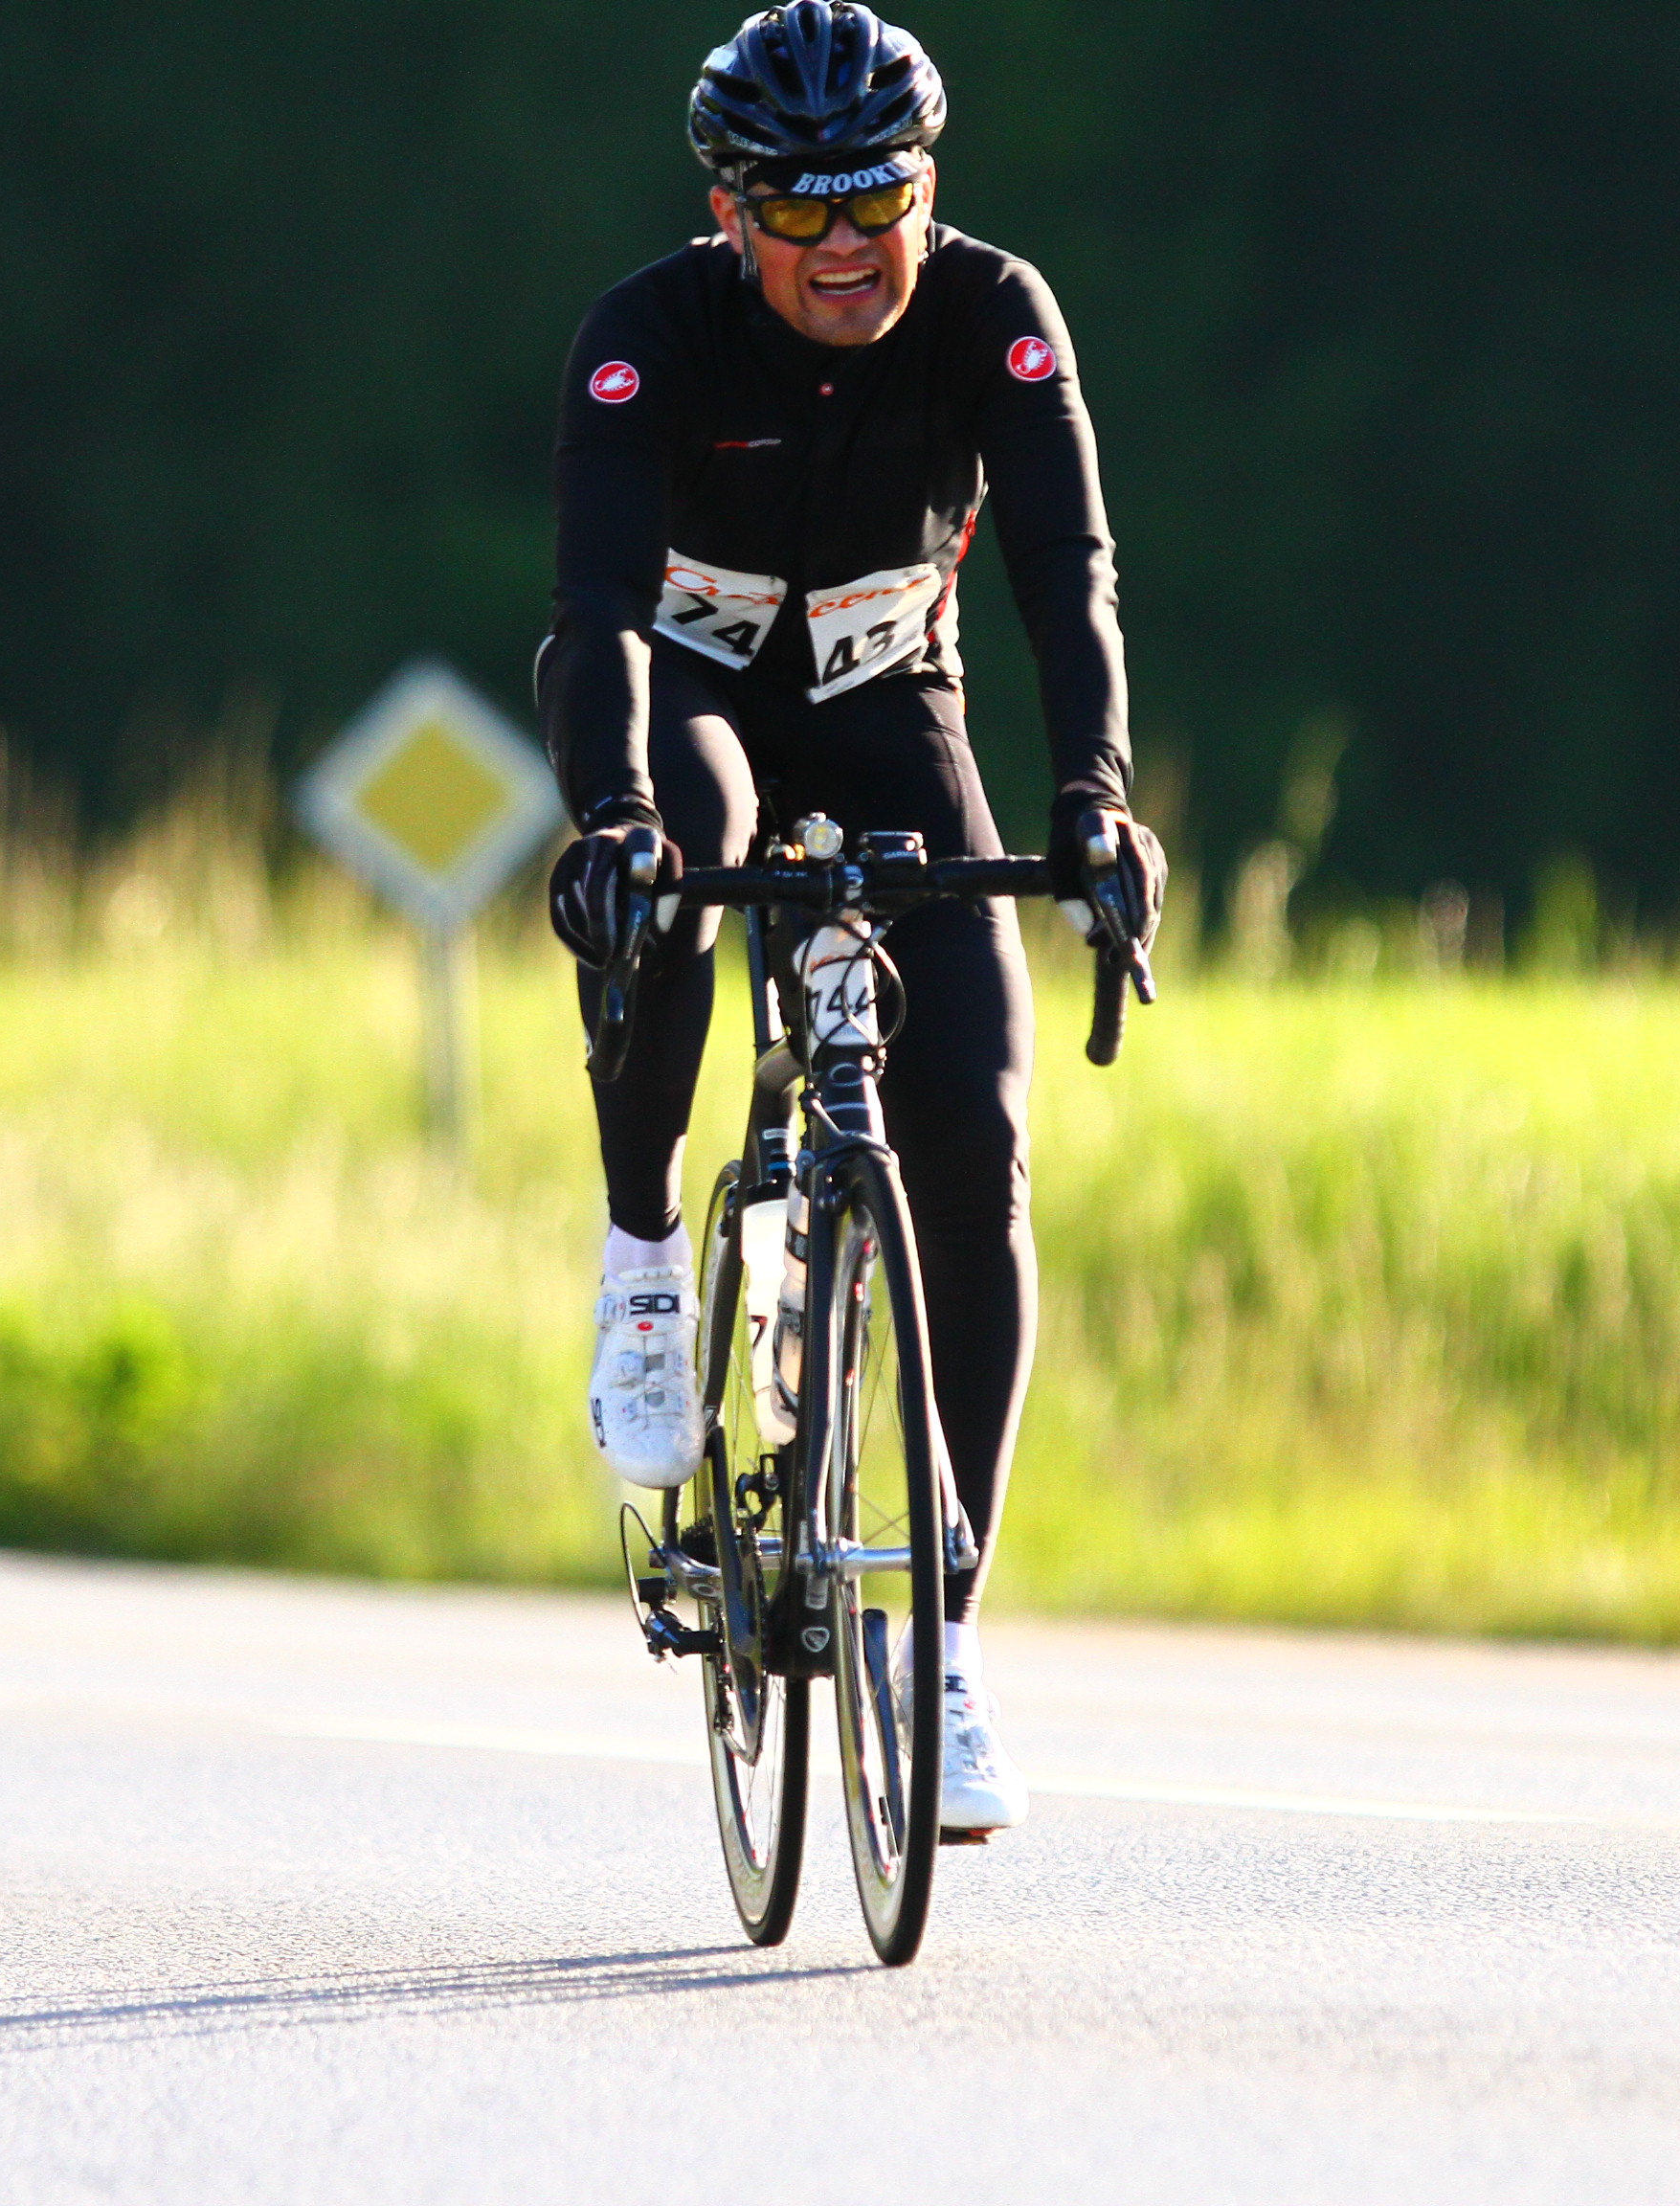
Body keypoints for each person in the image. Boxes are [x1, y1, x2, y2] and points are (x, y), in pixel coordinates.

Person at [542, 2, 1166, 1835]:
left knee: (974, 1133)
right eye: (799, 212)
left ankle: (945, 1645)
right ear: (728, 215)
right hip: (685, 695)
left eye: (875, 200)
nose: (843, 246)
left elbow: (1066, 572)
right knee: (683, 857)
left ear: (928, 187)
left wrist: (1096, 797)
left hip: (895, 700)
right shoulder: (645, 338)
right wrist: (612, 816)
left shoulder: (995, 311)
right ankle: (646, 1264)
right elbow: (597, 611)